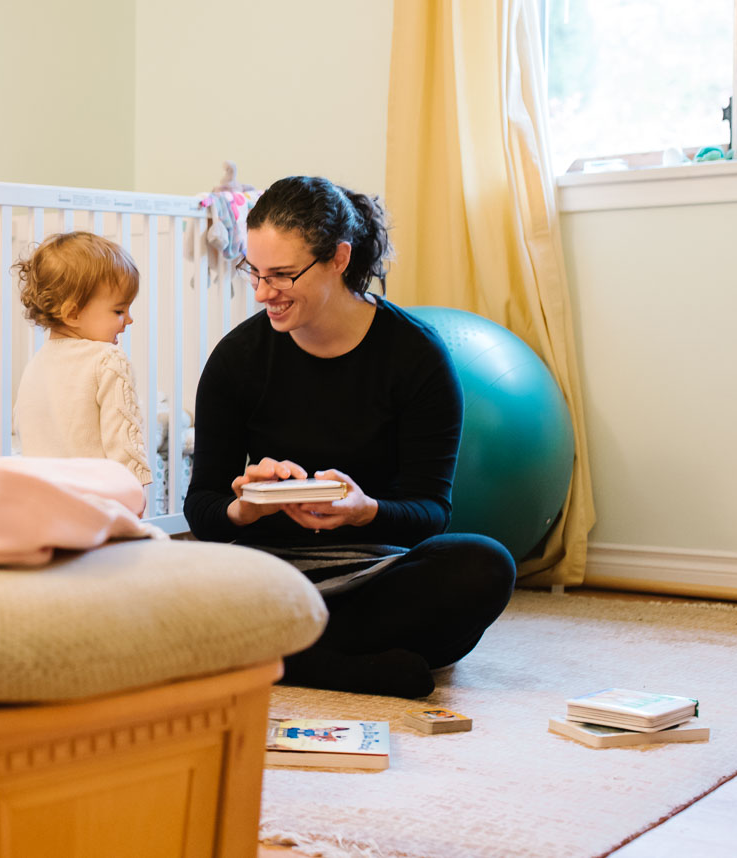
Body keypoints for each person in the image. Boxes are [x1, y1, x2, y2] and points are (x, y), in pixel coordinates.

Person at [184, 175, 515, 698]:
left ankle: (291, 659)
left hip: (376, 571)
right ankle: (339, 663)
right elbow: (201, 508)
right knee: (159, 581)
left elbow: (431, 511)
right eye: (255, 272)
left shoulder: (416, 357)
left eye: (283, 275)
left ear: (339, 258)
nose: (263, 292)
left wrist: (365, 511)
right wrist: (243, 507)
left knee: (484, 564)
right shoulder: (237, 360)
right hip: (271, 576)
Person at [12, 232, 153, 487]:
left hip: (46, 496)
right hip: (97, 498)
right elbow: (122, 437)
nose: (128, 320)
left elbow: (25, 429)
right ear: (73, 313)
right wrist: (134, 489)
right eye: (119, 310)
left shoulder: (36, 364)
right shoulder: (108, 360)